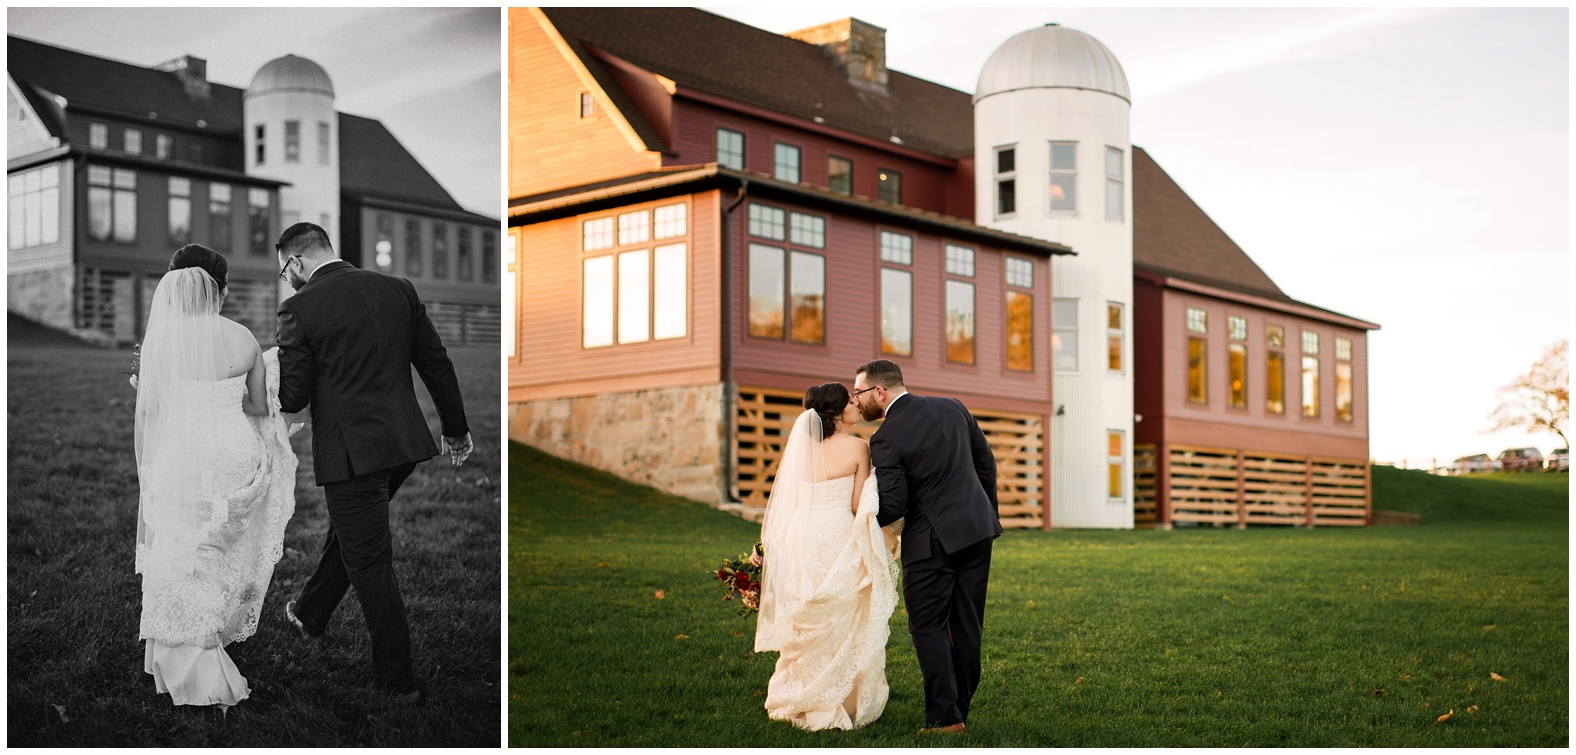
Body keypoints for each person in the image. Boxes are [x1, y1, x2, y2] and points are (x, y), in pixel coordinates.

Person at [274, 222, 471, 704]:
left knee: (370, 562)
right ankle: (310, 614)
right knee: (349, 535)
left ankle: (396, 681)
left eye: (285, 270)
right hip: (403, 445)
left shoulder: (298, 308)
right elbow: (435, 360)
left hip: (353, 455)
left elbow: (294, 396)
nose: (287, 279)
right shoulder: (397, 290)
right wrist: (455, 427)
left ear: (296, 261)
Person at [134, 244, 297, 710]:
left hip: (186, 452)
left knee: (182, 543)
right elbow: (258, 408)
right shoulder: (243, 337)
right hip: (234, 453)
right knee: (220, 547)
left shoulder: (163, 340)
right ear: (220, 290)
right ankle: (210, 622)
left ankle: (186, 637)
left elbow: (154, 411)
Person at [852, 359, 1000, 734]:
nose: (857, 400)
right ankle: (958, 709)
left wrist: (862, 520)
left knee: (927, 625)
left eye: (859, 393)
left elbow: (896, 503)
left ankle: (944, 718)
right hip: (978, 530)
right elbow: (986, 463)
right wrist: (983, 512)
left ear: (880, 392)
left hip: (931, 540)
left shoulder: (885, 437)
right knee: (968, 623)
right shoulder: (953, 406)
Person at [753, 383, 901, 731]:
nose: (856, 405)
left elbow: (789, 504)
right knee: (842, 614)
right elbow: (857, 505)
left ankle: (800, 696)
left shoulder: (799, 451)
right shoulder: (858, 447)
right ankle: (838, 701)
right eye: (851, 401)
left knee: (806, 611)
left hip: (801, 537)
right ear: (836, 412)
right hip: (835, 535)